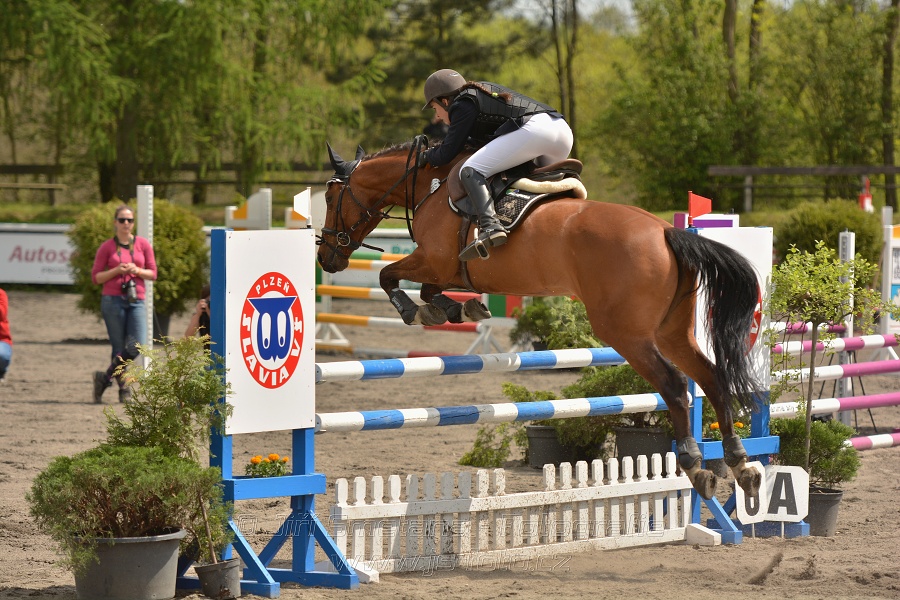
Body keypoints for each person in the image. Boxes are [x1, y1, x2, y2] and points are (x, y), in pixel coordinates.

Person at [417, 69, 573, 261]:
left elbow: (447, 153)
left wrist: (426, 156)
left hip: (537, 131)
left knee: (470, 170)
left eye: (435, 108)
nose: (438, 116)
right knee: (530, 187)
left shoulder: (461, 105)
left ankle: (490, 226)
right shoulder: (474, 96)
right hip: (562, 132)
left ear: (445, 101)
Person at [91, 205, 157, 403]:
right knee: (118, 347)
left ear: (133, 223)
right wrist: (117, 270)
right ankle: (124, 389)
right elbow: (96, 277)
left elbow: (153, 273)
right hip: (112, 300)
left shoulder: (143, 244)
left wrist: (137, 270)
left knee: (138, 345)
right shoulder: (107, 247)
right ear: (115, 222)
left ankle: (104, 378)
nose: (126, 223)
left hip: (136, 299)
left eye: (129, 220)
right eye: (122, 220)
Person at [0, 288, 12, 382]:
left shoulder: (1, 293)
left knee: (1, 355)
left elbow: (1, 314)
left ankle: (1, 370)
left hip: (1, 339)